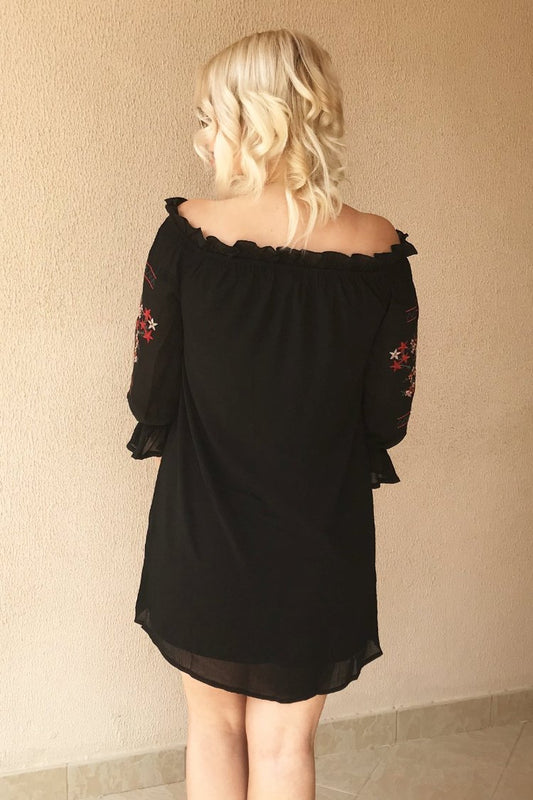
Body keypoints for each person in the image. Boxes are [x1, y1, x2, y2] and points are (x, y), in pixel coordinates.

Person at [125, 28, 419, 800]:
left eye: (208, 118)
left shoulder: (187, 238)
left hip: (203, 525)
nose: (200, 139)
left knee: (213, 731)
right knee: (286, 749)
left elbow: (149, 392)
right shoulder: (379, 250)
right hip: (320, 532)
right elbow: (387, 413)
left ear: (254, 120)